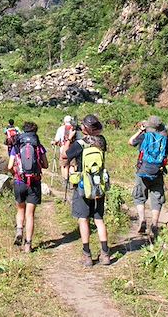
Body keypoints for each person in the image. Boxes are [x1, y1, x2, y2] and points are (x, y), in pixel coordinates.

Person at [65, 114, 110, 266]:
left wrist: (69, 139)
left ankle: (87, 255)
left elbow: (65, 156)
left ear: (85, 128)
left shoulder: (79, 143)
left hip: (83, 186)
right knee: (99, 220)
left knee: (83, 219)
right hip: (99, 185)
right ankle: (105, 254)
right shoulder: (102, 141)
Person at [128, 115, 168, 240]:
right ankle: (154, 224)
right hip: (157, 173)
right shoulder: (164, 138)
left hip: (142, 171)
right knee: (156, 197)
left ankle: (142, 219)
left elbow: (130, 141)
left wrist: (140, 131)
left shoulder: (144, 136)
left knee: (139, 196)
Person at [8, 121, 48, 253]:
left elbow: (9, 166)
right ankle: (28, 245)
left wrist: (16, 174)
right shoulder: (39, 146)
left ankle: (19, 229)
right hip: (34, 183)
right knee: (30, 214)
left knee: (20, 209)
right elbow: (46, 165)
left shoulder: (16, 147)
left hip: (20, 182)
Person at [52, 115, 82, 180]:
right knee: (72, 165)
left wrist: (54, 142)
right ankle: (73, 181)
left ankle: (65, 180)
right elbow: (80, 140)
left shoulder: (60, 128)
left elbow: (56, 140)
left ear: (64, 121)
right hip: (74, 149)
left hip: (63, 150)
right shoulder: (75, 129)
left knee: (64, 165)